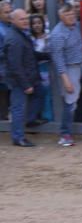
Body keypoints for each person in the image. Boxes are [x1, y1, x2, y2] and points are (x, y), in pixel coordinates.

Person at [4, 9, 43, 147]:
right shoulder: (15, 39)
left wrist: (46, 55)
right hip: (20, 80)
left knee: (38, 94)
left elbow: (29, 55)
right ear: (12, 21)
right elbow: (15, 66)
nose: (26, 21)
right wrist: (26, 85)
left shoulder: (20, 34)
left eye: (26, 18)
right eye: (21, 19)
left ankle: (30, 120)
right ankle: (18, 137)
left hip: (28, 77)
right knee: (18, 108)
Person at [48, 3, 82, 147]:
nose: (71, 17)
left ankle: (67, 133)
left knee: (73, 102)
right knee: (70, 102)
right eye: (68, 15)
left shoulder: (75, 27)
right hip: (69, 69)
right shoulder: (57, 34)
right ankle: (65, 134)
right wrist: (65, 79)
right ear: (61, 17)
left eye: (72, 14)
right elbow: (58, 59)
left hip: (78, 66)